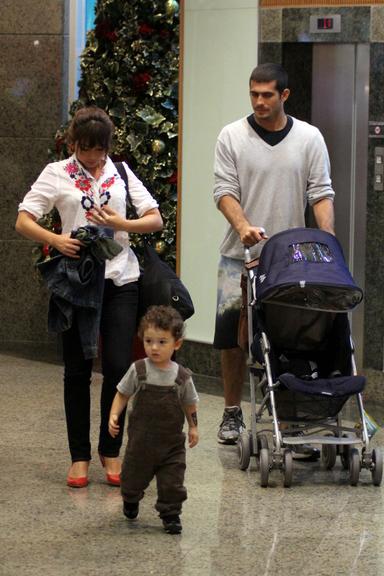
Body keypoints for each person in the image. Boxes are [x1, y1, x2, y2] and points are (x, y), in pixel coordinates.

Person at [15, 106, 163, 487]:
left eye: (99, 150)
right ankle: (79, 456)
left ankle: (110, 451)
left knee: (117, 368)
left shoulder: (122, 172)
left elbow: (155, 218)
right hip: (77, 283)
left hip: (120, 279)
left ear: (108, 146)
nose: (94, 158)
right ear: (72, 143)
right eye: (85, 149)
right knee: (77, 372)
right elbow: (24, 219)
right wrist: (55, 240)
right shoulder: (57, 173)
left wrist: (121, 224)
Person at [213, 63, 335, 452]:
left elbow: (321, 192)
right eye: (254, 94)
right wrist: (244, 224)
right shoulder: (232, 136)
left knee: (290, 338)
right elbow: (223, 191)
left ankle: (290, 415)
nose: (260, 102)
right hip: (237, 257)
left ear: (284, 95)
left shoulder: (309, 138)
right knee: (230, 337)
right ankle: (232, 411)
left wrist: (327, 239)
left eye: (267, 94)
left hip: (291, 261)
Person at [108, 305, 199, 534]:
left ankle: (171, 515)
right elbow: (122, 393)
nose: (154, 347)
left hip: (171, 445)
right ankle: (130, 499)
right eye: (149, 341)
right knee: (131, 479)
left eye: (161, 342)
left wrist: (194, 427)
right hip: (141, 443)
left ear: (176, 343)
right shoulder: (138, 370)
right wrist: (114, 414)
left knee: (172, 483)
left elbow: (189, 403)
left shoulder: (182, 377)